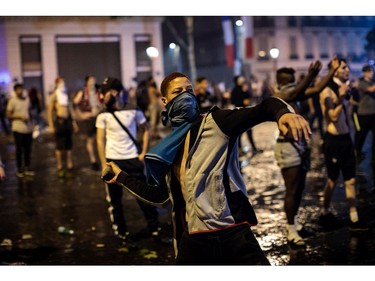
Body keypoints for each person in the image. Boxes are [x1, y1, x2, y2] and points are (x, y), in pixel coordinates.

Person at [102, 71, 311, 265]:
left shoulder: (216, 123)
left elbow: (264, 107)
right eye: (178, 92)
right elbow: (160, 197)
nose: (186, 95)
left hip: (231, 232)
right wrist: (122, 177)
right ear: (164, 101)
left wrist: (284, 114)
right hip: (193, 239)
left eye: (189, 90)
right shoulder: (168, 149)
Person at [272, 57, 339, 248]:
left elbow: (316, 90)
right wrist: (309, 76)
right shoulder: (279, 95)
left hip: (300, 146)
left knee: (299, 187)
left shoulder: (294, 92)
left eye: (295, 80)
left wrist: (331, 72)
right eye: (290, 81)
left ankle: (295, 223)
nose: (293, 84)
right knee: (291, 189)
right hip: (287, 147)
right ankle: (291, 229)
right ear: (281, 82)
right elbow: (293, 92)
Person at [96, 77, 161, 245]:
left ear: (115, 92)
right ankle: (122, 233)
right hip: (113, 161)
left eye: (104, 92)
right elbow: (99, 140)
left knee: (144, 197)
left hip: (133, 159)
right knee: (115, 201)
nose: (102, 96)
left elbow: (146, 129)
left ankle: (155, 229)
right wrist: (104, 163)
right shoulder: (103, 114)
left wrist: (143, 153)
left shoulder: (133, 110)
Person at [319, 58, 368, 232]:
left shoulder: (345, 87)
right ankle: (324, 212)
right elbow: (332, 116)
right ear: (334, 70)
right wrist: (341, 97)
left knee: (351, 179)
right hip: (334, 141)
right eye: (343, 67)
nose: (347, 69)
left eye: (347, 66)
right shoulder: (326, 91)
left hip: (347, 139)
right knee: (332, 180)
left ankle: (354, 218)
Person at [47, 76, 78, 178]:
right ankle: (60, 166)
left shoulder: (65, 95)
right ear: (57, 84)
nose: (62, 84)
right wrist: (51, 125)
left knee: (69, 145)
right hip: (59, 122)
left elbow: (70, 109)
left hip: (67, 122)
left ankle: (70, 164)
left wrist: (74, 122)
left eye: (63, 82)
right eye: (60, 82)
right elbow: (49, 111)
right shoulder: (54, 95)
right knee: (59, 146)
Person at [6, 83, 35, 178]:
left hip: (28, 129)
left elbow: (30, 112)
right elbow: (8, 115)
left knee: (28, 149)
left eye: (21, 89)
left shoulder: (27, 100)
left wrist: (32, 124)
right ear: (15, 91)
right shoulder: (12, 101)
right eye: (18, 89)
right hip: (17, 128)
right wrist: (19, 117)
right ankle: (19, 168)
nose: (20, 91)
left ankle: (27, 167)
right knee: (19, 149)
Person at [73, 74, 101, 171]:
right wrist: (80, 115)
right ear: (87, 81)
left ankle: (102, 160)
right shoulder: (83, 92)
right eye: (91, 80)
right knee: (90, 140)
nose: (93, 81)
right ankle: (93, 161)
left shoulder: (97, 91)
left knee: (101, 139)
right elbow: (74, 104)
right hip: (89, 119)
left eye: (94, 79)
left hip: (98, 117)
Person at [354, 64, 375, 190]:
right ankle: (358, 152)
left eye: (372, 71)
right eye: (369, 71)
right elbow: (371, 90)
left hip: (373, 113)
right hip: (363, 113)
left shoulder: (372, 81)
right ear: (364, 73)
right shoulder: (361, 83)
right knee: (361, 134)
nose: (371, 73)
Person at [230, 75, 261, 156]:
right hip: (239, 113)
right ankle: (239, 149)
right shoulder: (234, 90)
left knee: (249, 131)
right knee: (239, 133)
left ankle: (254, 148)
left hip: (246, 113)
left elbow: (249, 96)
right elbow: (233, 101)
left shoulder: (243, 89)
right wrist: (242, 102)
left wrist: (245, 91)